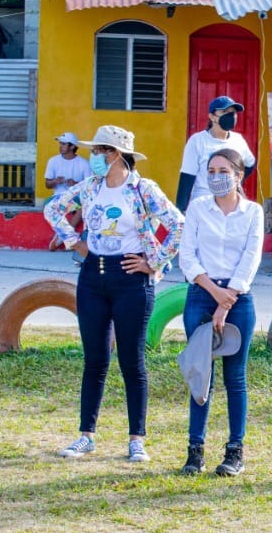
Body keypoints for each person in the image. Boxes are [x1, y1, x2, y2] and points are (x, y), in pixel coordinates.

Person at [44, 125, 183, 464]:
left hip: (131, 278)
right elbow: (52, 209)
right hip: (93, 275)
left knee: (131, 361)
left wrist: (154, 261)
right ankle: (85, 435)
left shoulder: (142, 190)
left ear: (116, 154)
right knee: (94, 358)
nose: (94, 157)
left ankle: (137, 438)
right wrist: (74, 241)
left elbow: (177, 223)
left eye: (100, 151)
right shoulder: (90, 187)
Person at [177, 148, 263, 477]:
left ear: (239, 175)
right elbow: (188, 256)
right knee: (201, 374)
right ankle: (194, 451)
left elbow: (251, 257)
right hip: (202, 293)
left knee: (235, 377)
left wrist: (228, 301)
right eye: (210, 171)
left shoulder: (252, 212)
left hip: (239, 297)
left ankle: (234, 452)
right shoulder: (198, 208)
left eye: (222, 170)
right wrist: (215, 295)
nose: (215, 177)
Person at [176, 96, 257, 212]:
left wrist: (236, 181)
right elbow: (187, 178)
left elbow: (250, 163)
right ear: (212, 117)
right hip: (204, 205)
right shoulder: (197, 141)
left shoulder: (238, 140)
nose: (230, 116)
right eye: (224, 112)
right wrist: (181, 211)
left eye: (233, 112)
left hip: (231, 205)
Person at [44, 132, 91, 250]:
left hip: (76, 198)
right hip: (57, 197)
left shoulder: (83, 163)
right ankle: (65, 237)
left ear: (72, 146)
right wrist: (55, 181)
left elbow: (90, 187)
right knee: (51, 208)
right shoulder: (53, 161)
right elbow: (47, 184)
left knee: (84, 206)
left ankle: (61, 237)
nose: (60, 146)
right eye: (60, 143)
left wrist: (75, 184)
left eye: (64, 144)